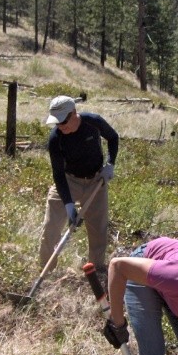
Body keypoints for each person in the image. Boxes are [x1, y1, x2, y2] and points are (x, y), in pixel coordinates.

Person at [39, 96, 119, 271]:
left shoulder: (93, 122)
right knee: (51, 227)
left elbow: (113, 137)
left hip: (96, 181)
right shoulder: (56, 138)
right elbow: (58, 174)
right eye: (57, 123)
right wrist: (68, 205)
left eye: (64, 121)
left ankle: (95, 271)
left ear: (73, 113)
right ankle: (46, 271)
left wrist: (110, 164)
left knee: (98, 230)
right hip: (68, 181)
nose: (61, 126)